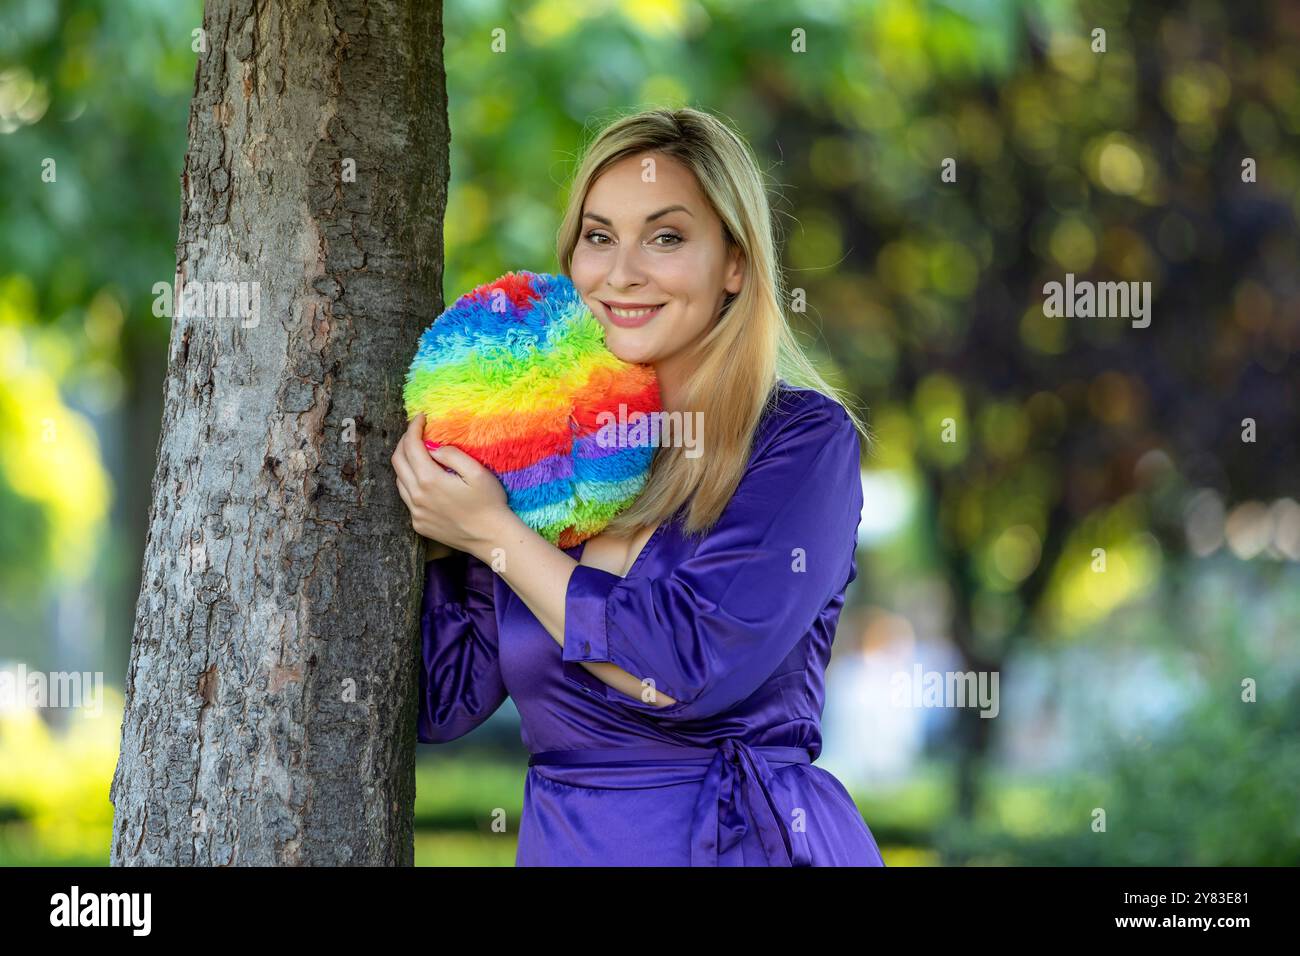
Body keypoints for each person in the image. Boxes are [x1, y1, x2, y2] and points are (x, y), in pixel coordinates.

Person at [391, 106, 885, 866]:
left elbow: (688, 665)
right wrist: (439, 519)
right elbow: (445, 696)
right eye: (598, 237)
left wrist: (494, 535)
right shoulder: (554, 458)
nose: (621, 273)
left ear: (736, 264)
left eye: (666, 237)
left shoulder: (801, 442)